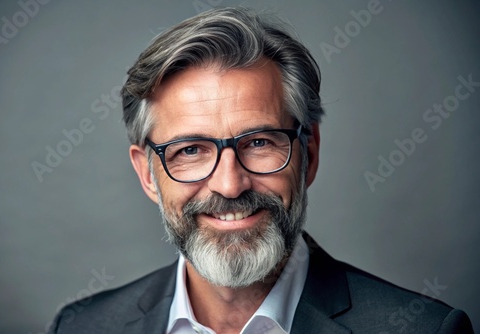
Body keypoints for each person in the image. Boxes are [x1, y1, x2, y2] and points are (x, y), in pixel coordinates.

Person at [50, 7, 473, 334]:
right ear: (147, 174)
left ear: (309, 152)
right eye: (191, 150)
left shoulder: (425, 329)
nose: (230, 185)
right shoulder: (80, 327)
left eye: (259, 143)